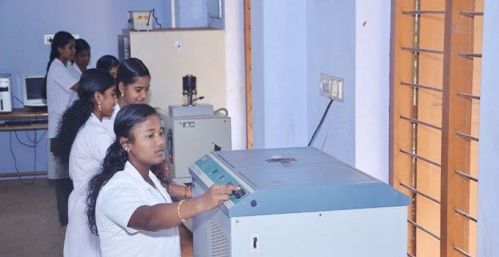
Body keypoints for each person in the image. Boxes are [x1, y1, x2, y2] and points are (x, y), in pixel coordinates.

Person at [86, 104, 237, 257]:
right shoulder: (116, 189)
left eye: (161, 133)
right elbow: (150, 218)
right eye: (150, 136)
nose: (160, 142)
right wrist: (201, 202)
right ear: (126, 144)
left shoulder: (150, 178)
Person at [53, 69, 116, 257]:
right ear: (98, 97)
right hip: (86, 205)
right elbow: (118, 163)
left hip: (85, 200)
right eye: (112, 94)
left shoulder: (92, 125)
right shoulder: (94, 134)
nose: (115, 100)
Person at [45, 30, 79, 226]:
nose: (73, 51)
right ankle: (65, 221)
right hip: (58, 132)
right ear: (59, 49)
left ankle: (69, 218)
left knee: (68, 176)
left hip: (65, 129)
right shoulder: (58, 69)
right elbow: (79, 88)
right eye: (70, 47)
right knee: (62, 179)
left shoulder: (65, 67)